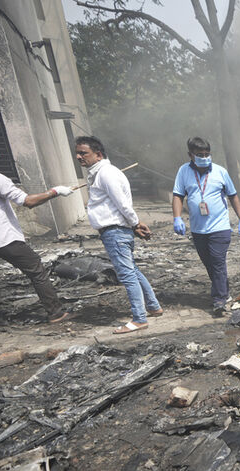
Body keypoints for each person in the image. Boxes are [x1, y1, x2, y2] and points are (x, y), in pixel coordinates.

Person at [0, 136, 73, 323]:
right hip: (1, 237)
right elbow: (27, 201)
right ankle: (56, 313)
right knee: (36, 270)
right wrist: (55, 191)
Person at [75, 136, 160, 334]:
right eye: (77, 153)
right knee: (133, 270)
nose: (79, 157)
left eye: (83, 153)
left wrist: (135, 223)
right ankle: (153, 306)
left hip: (115, 231)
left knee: (127, 274)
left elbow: (122, 204)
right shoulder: (100, 173)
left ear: (98, 154)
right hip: (116, 231)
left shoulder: (106, 174)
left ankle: (139, 319)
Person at [172, 136, 240, 316]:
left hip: (220, 227)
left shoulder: (220, 172)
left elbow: (233, 195)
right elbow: (178, 195)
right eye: (200, 154)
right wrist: (177, 218)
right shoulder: (183, 171)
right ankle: (224, 291)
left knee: (217, 261)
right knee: (209, 263)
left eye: (207, 154)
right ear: (191, 155)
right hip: (198, 229)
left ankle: (219, 299)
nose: (205, 157)